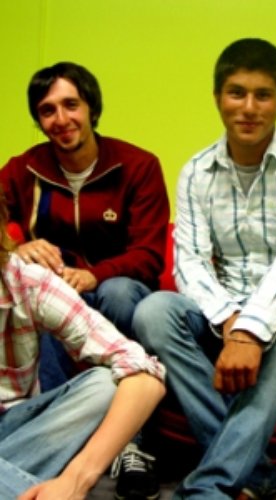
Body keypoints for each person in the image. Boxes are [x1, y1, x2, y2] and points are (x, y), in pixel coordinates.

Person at [133, 38, 276, 499]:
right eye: (236, 93)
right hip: (223, 311)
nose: (248, 107)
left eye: (263, 95)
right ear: (217, 97)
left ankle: (211, 484)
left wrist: (250, 330)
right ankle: (257, 473)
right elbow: (188, 259)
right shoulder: (196, 171)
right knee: (153, 311)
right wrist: (229, 321)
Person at [0, 62, 170, 499]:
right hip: (55, 287)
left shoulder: (137, 165)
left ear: (91, 107)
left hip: (117, 286)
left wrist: (94, 275)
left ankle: (133, 445)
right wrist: (20, 248)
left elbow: (150, 253)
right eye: (47, 110)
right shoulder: (23, 168)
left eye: (70, 105)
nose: (61, 119)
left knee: (117, 295)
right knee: (38, 291)